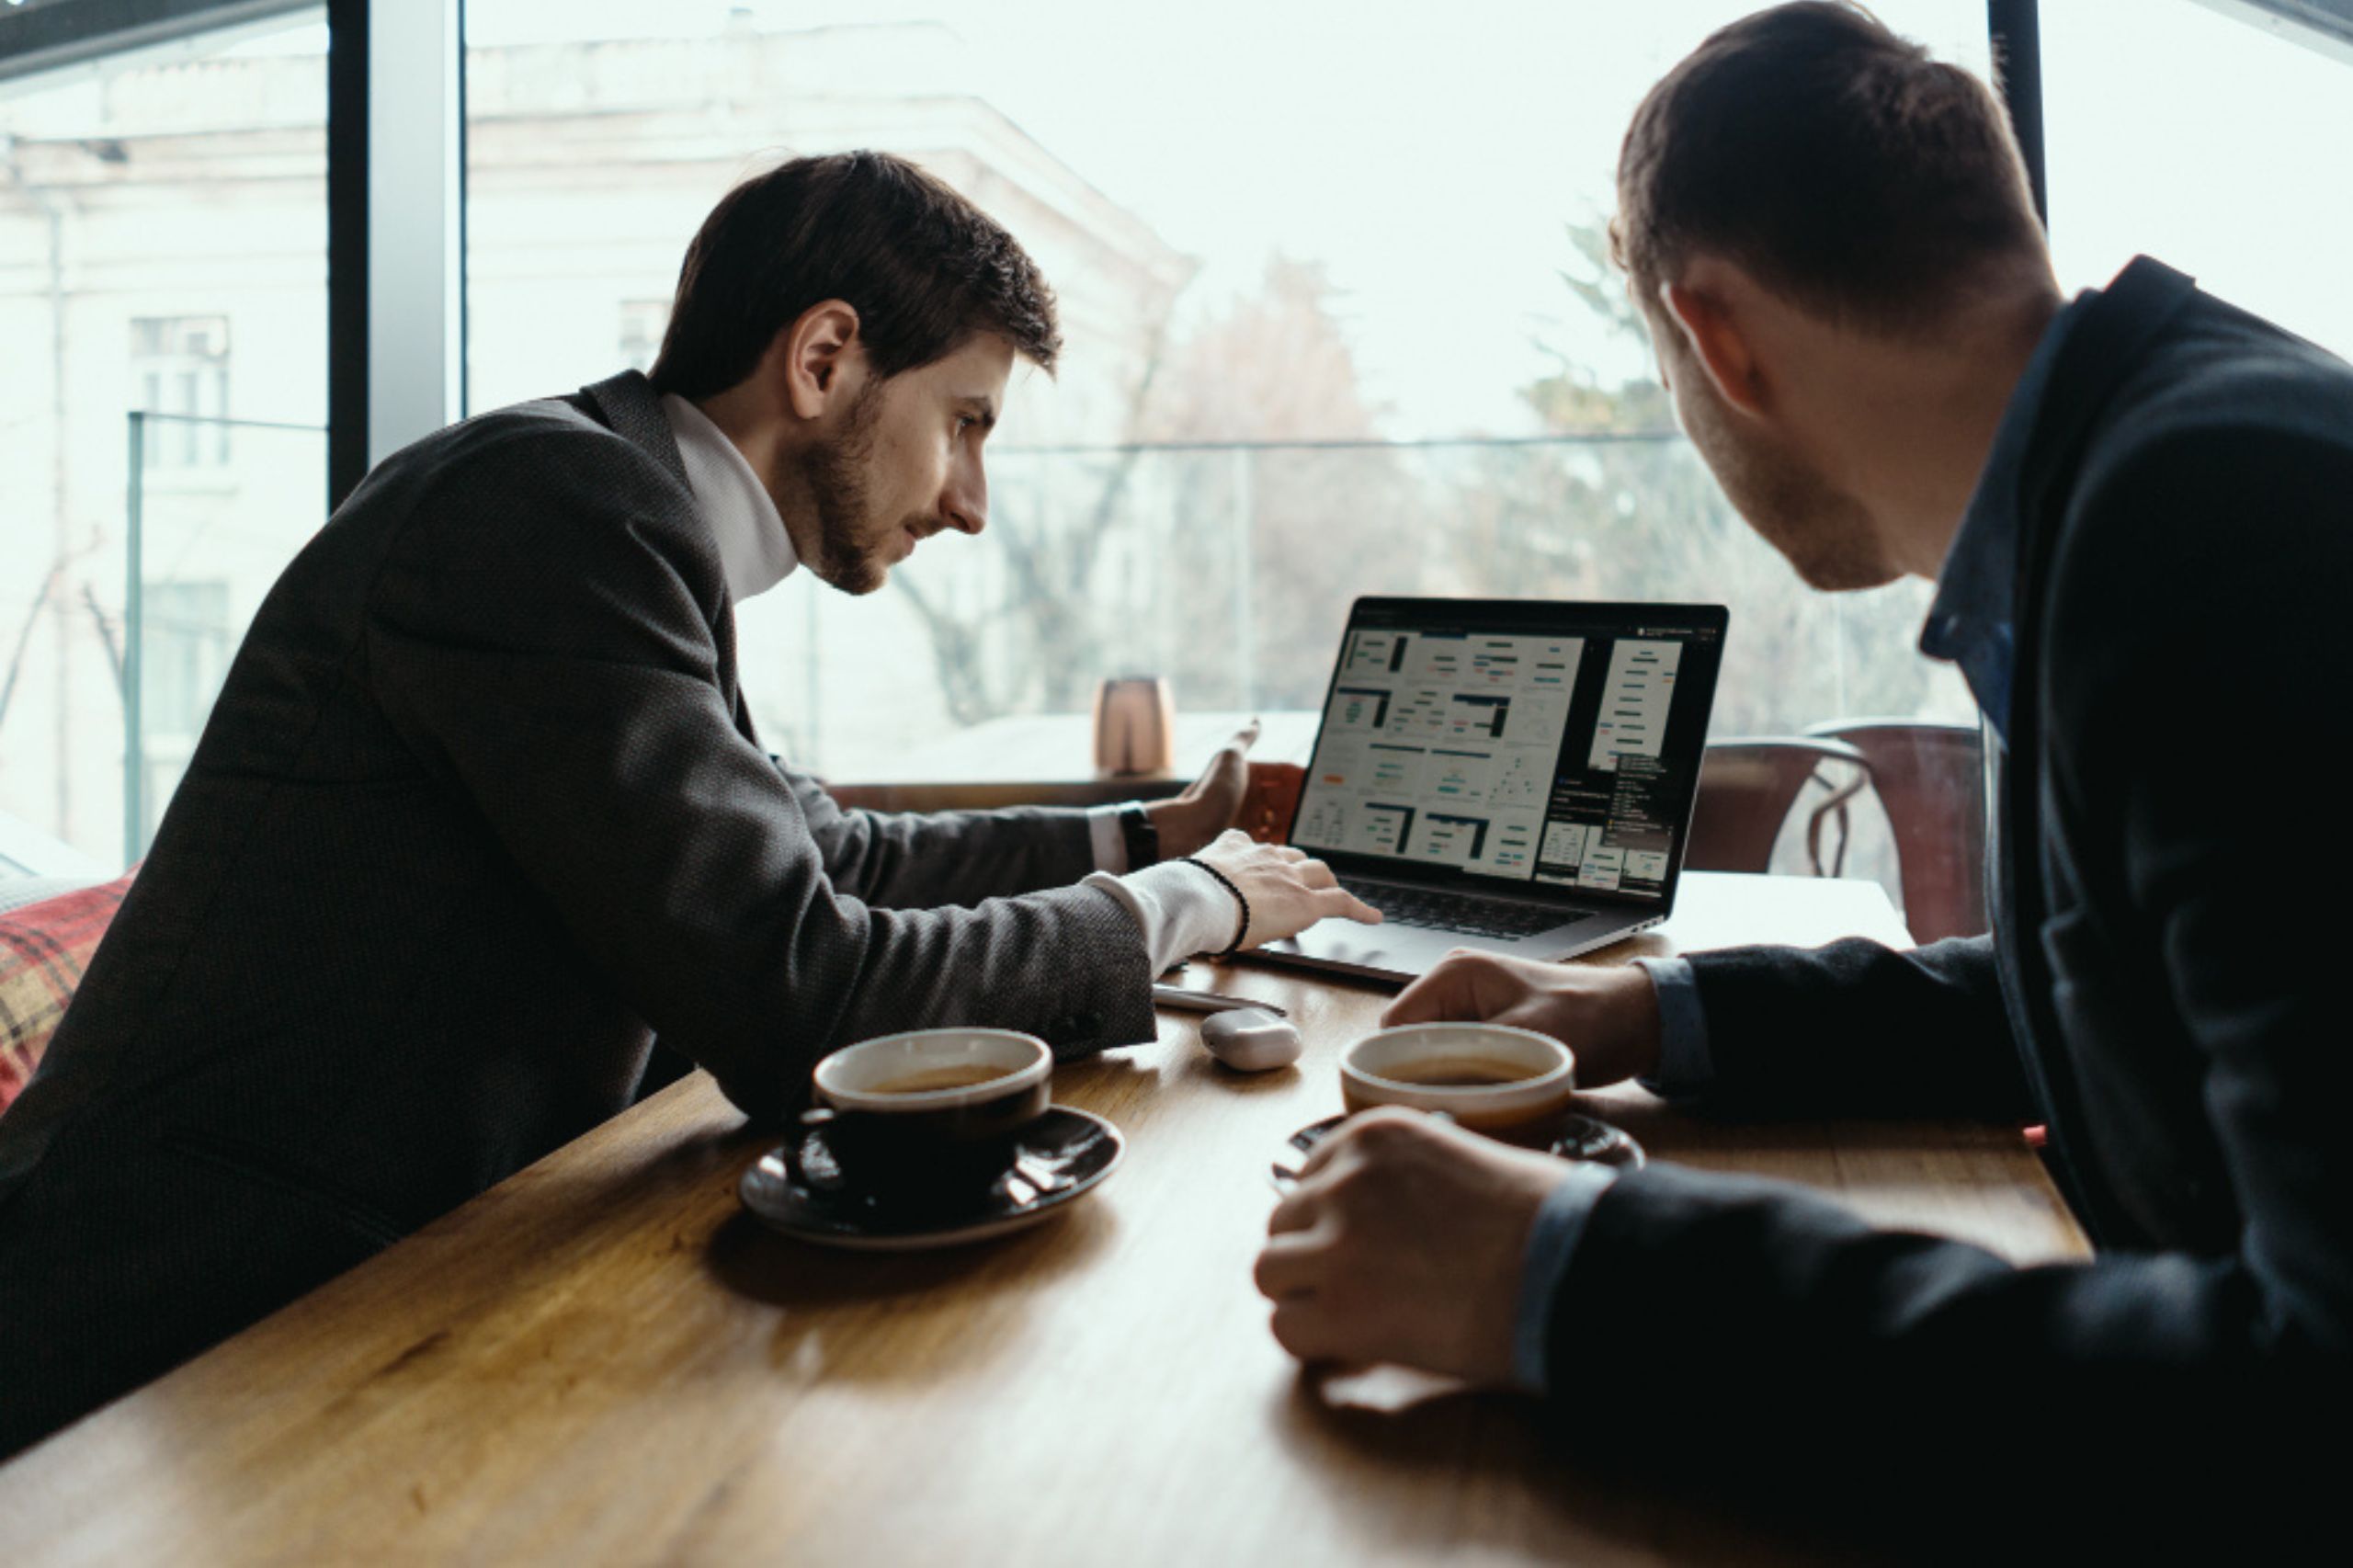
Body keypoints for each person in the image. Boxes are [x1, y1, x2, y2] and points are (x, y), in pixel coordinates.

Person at [0, 150, 1374, 1458]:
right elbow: (806, 991)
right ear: (825, 359)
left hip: (373, 1281)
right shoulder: (554, 511)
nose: (970, 503)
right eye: (963, 424)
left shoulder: (618, 511)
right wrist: (1187, 907)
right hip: (172, 1339)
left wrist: (1150, 833)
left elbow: (825, 856)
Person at [1254, 1, 2350, 1537]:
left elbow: (2315, 1405)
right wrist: (1648, 1008)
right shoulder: (2151, 468)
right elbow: (2098, 997)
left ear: (1718, 340)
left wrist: (1567, 1270)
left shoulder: (2207, 536)